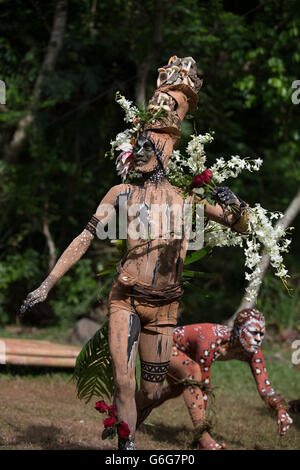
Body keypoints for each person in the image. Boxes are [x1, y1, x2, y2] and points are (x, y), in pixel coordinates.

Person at [20, 56, 249, 450]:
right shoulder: (121, 194)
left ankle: (128, 421)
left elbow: (239, 223)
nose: (143, 147)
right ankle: (125, 450)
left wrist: (237, 204)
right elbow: (83, 237)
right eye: (139, 142)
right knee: (125, 385)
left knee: (152, 389)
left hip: (164, 311)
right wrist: (46, 284)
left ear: (166, 149)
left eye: (150, 143)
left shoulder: (186, 199)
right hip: (126, 300)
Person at [148, 309, 293, 450]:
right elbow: (202, 389)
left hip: (185, 352)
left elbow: (265, 388)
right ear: (238, 330)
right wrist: (205, 433)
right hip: (163, 344)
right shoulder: (211, 342)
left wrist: (280, 409)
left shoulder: (252, 351)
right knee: (192, 377)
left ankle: (134, 415)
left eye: (261, 334)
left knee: (174, 390)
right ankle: (202, 439)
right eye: (254, 332)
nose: (258, 339)